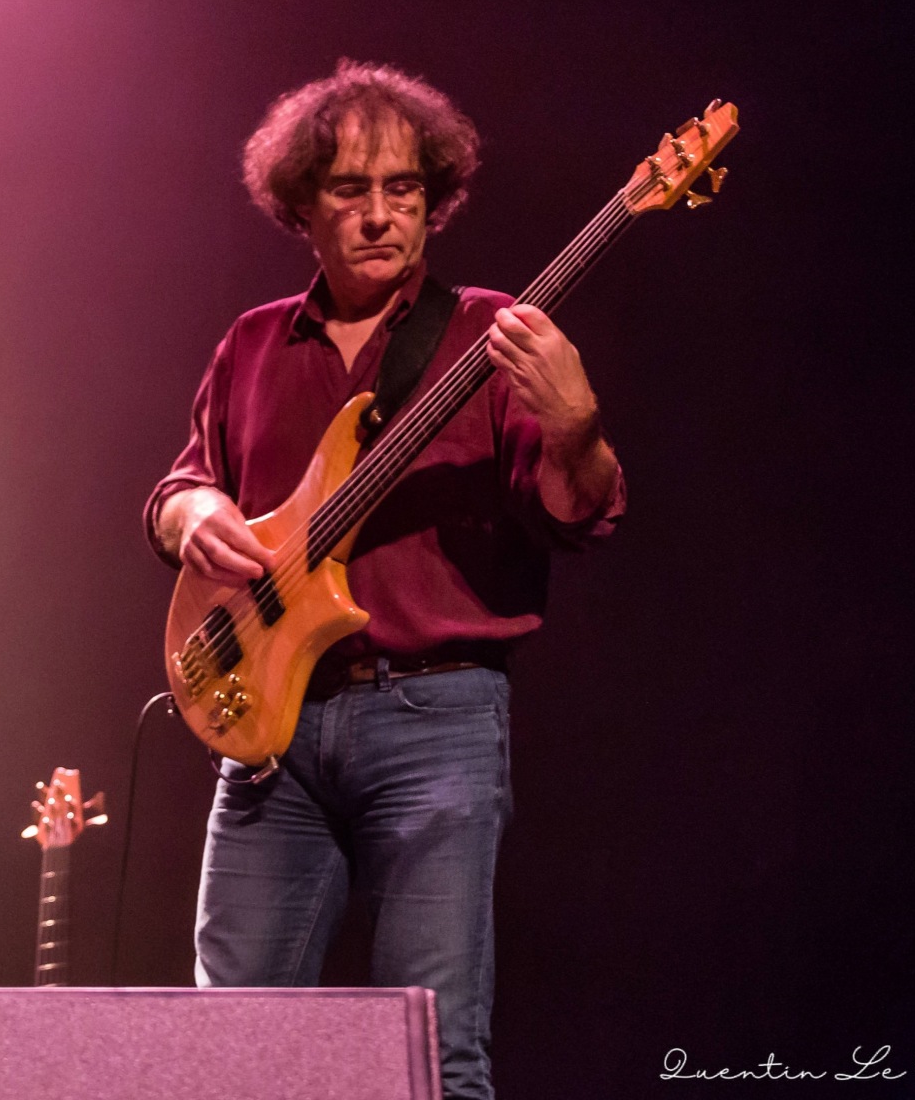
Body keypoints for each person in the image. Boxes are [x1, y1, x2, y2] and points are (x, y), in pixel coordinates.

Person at [143, 61, 625, 1100]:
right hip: (269, 727)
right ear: (302, 207)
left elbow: (573, 514)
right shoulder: (254, 342)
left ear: (432, 199)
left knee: (434, 1054)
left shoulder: (486, 333)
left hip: (434, 720)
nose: (378, 215)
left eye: (403, 189)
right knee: (227, 1054)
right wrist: (195, 518)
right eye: (350, 190)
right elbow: (182, 485)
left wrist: (577, 426)